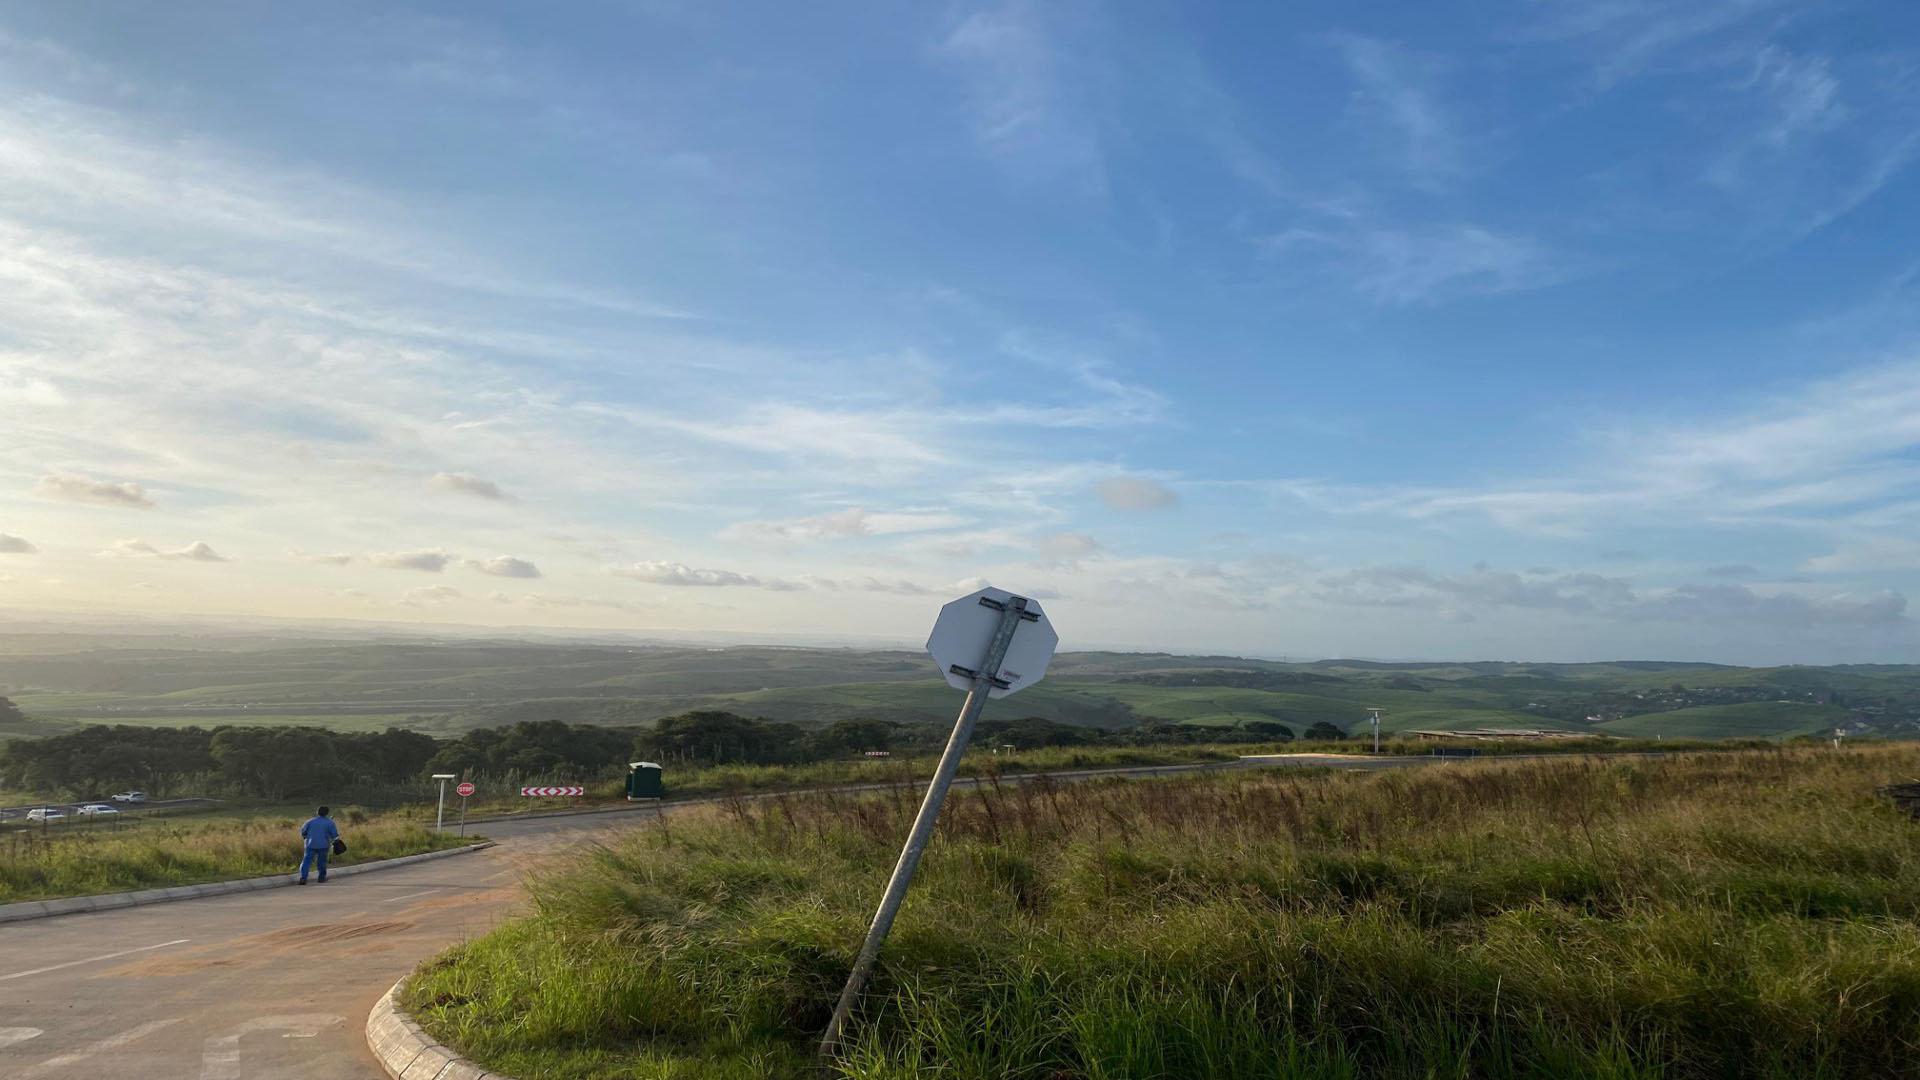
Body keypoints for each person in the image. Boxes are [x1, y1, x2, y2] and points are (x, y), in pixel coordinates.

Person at [297, 806, 340, 884]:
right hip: (323, 845)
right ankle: (321, 878)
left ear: (317, 812)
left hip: (310, 844)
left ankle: (303, 878)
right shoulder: (330, 822)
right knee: (322, 862)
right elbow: (335, 835)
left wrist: (306, 837)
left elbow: (303, 832)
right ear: (327, 813)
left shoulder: (310, 821)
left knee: (306, 861)